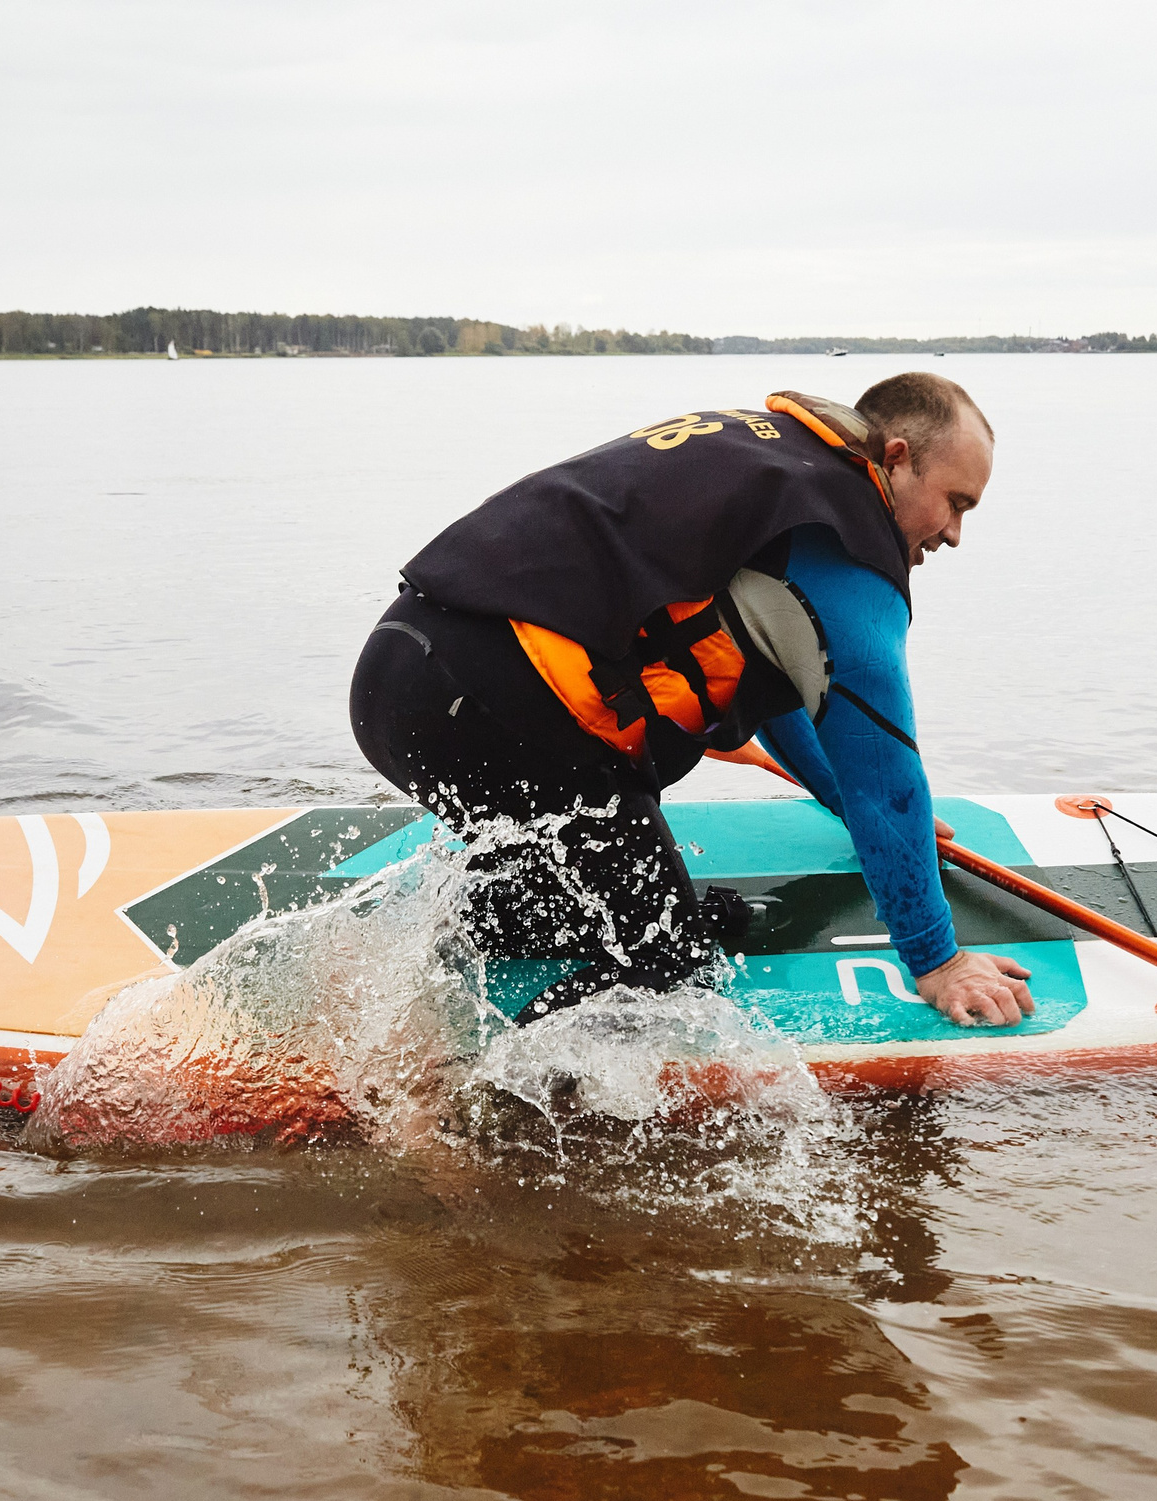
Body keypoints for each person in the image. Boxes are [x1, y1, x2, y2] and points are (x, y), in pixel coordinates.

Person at [348, 374, 1034, 1029]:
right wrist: (937, 959)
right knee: (673, 968)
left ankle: (437, 955)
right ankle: (470, 1095)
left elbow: (789, 680)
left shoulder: (776, 458)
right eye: (956, 503)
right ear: (897, 458)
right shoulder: (848, 554)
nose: (954, 533)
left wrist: (849, 808)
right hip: (495, 716)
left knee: (614, 908)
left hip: (400, 676)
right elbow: (884, 776)